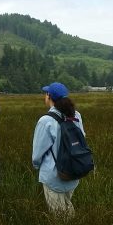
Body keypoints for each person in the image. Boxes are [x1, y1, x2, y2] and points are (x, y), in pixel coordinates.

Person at [32, 82, 85, 217]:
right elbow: (82, 138)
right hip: (74, 171)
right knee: (67, 207)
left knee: (59, 217)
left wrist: (36, 166)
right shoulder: (76, 115)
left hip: (53, 176)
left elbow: (37, 154)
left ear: (49, 96)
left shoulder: (45, 121)